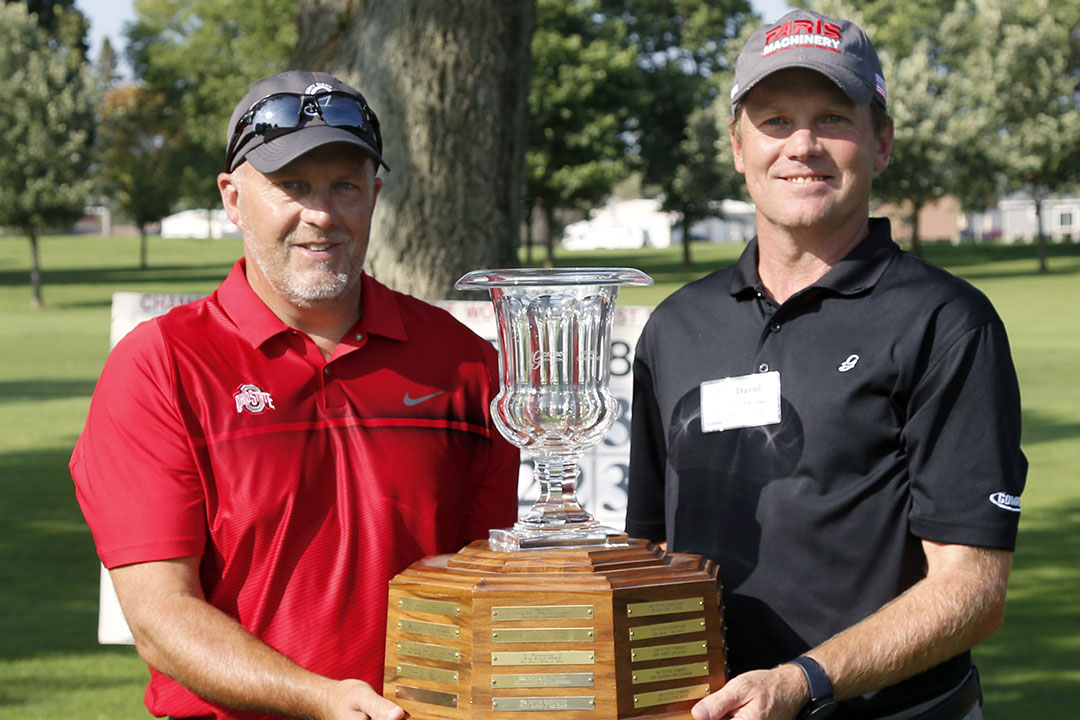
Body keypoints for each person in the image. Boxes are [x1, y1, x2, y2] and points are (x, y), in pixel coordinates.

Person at [71, 70, 519, 720]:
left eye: (344, 185)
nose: (321, 213)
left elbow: (488, 585)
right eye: (291, 186)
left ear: (376, 193)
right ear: (232, 196)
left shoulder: (464, 363)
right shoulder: (160, 366)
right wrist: (321, 699)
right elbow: (160, 614)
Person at [626, 9, 1026, 720]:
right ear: (737, 146)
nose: (802, 145)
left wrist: (802, 680)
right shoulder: (676, 327)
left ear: (881, 141)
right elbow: (650, 548)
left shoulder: (945, 322)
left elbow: (973, 592)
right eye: (775, 120)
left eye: (833, 118)